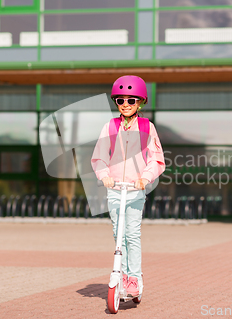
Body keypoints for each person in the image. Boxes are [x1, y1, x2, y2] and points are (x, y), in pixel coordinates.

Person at [91, 75, 165, 297]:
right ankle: (120, 274)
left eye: (131, 101)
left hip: (135, 190)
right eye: (120, 100)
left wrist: (145, 177)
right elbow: (99, 156)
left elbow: (157, 158)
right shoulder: (110, 126)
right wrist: (104, 175)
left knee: (132, 234)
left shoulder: (146, 127)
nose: (125, 105)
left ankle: (134, 277)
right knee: (118, 233)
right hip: (114, 188)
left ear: (140, 102)